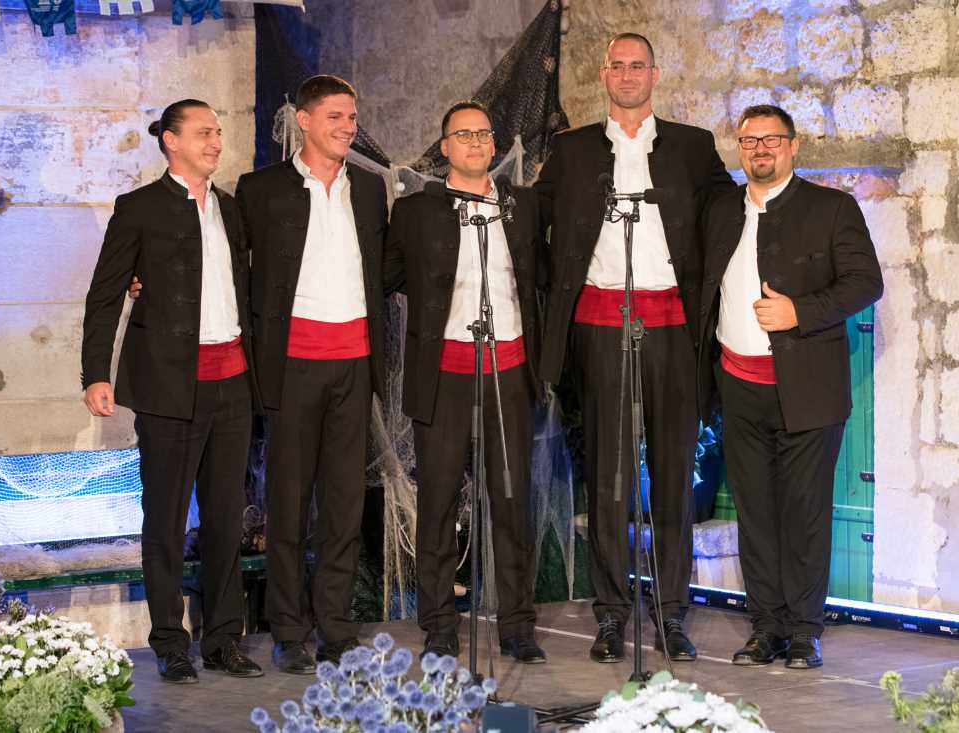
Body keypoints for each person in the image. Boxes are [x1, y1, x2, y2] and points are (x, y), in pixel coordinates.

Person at [535, 32, 735, 663]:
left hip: (673, 327)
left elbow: (731, 215)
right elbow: (534, 226)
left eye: (637, 66)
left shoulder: (692, 146)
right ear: (604, 75)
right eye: (617, 66)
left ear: (655, 74)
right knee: (609, 480)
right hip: (600, 327)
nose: (627, 75)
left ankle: (672, 613)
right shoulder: (570, 151)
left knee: (674, 479)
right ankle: (611, 615)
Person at [81, 99, 262, 683]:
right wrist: (95, 373)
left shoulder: (229, 208)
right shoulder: (139, 208)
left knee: (226, 519)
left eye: (218, 131)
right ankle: (169, 642)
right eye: (203, 132)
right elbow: (105, 294)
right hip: (168, 387)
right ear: (171, 141)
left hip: (232, 382)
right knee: (164, 520)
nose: (215, 141)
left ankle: (224, 639)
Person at [697, 104, 884, 669]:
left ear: (793, 145)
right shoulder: (721, 211)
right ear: (740, 148)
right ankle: (766, 628)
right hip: (739, 387)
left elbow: (866, 283)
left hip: (807, 390)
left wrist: (799, 311)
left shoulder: (832, 208)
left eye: (771, 139)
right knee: (756, 514)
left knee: (803, 514)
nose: (760, 149)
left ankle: (804, 631)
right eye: (750, 140)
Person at [235, 75, 389, 673]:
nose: (348, 127)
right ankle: (288, 630)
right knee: (289, 505)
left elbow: (384, 268)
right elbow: (225, 261)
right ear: (303, 119)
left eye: (352, 117)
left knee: (344, 506)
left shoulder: (370, 189)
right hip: (293, 366)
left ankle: (336, 628)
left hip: (354, 364)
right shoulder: (261, 190)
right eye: (335, 117)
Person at [383, 101, 547, 664]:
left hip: (510, 369)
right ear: (445, 146)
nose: (476, 143)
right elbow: (382, 275)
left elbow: (546, 279)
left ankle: (518, 625)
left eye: (484, 134)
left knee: (511, 500)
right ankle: (439, 624)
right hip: (444, 372)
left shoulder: (523, 207)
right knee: (438, 501)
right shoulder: (416, 212)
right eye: (464, 134)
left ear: (494, 144)